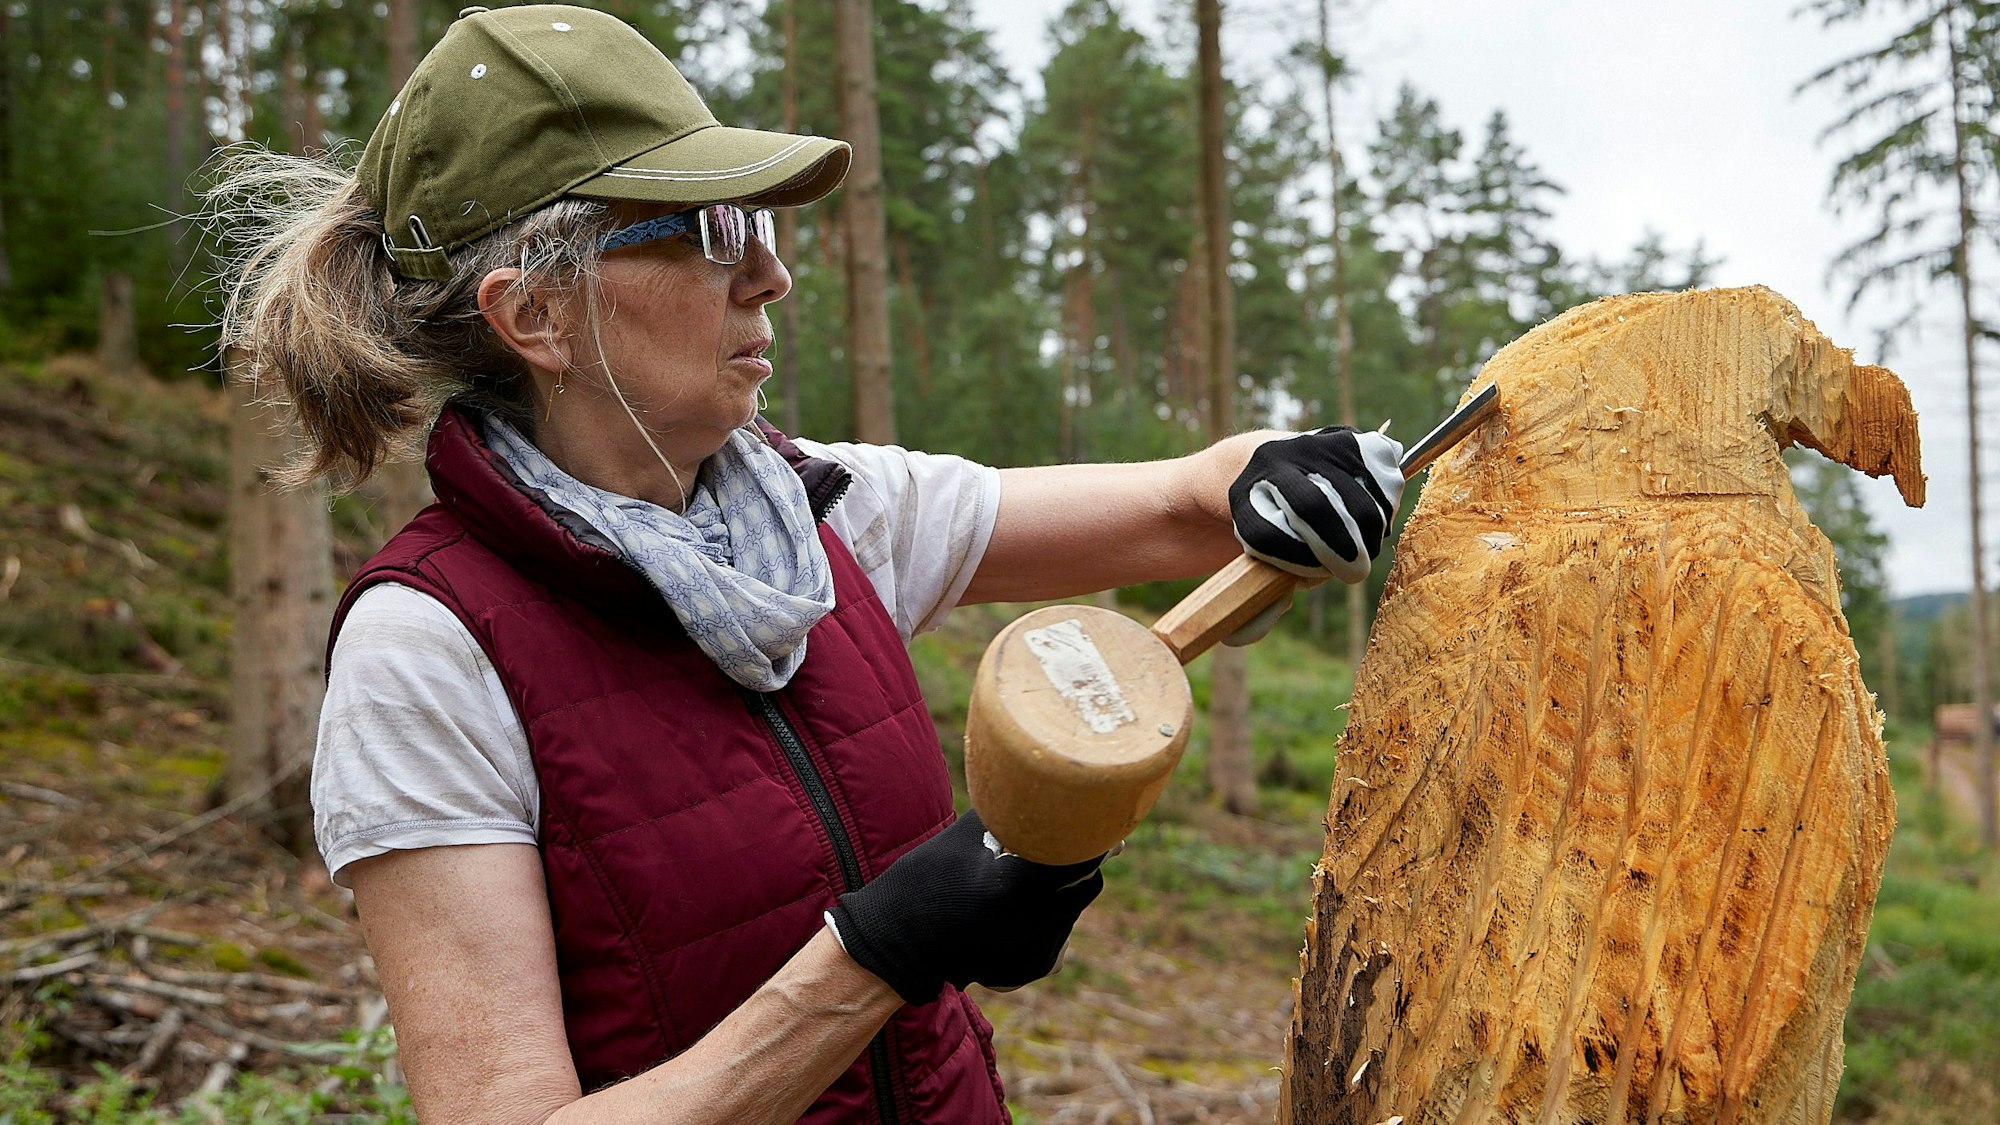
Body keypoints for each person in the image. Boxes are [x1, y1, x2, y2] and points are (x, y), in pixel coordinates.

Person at [210, 5, 1406, 1122]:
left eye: (763, 230)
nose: (770, 274)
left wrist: (1267, 470)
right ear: (537, 316)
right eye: (708, 231)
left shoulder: (822, 510)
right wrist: (876, 956)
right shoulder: (427, 646)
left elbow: (1172, 507)